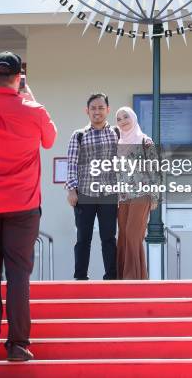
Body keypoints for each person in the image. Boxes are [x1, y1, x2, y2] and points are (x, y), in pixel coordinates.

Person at [0, 52, 57, 362]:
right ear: (19, 77)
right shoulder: (35, 111)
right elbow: (50, 140)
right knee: (18, 274)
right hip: (23, 204)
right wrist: (28, 97)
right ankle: (17, 345)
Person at [66, 93, 119, 280]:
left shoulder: (116, 133)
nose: (97, 111)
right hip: (84, 195)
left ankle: (112, 278)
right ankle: (80, 278)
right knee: (83, 239)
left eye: (101, 108)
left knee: (109, 239)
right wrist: (71, 190)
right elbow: (71, 164)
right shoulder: (78, 135)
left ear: (108, 110)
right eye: (93, 108)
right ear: (87, 111)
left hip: (109, 195)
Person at [115, 107, 159, 280]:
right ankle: (123, 276)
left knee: (134, 233)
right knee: (124, 235)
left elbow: (155, 168)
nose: (123, 121)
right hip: (123, 197)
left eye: (126, 116)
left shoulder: (145, 141)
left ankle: (134, 277)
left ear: (133, 118)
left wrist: (155, 196)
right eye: (119, 119)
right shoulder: (118, 144)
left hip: (142, 193)